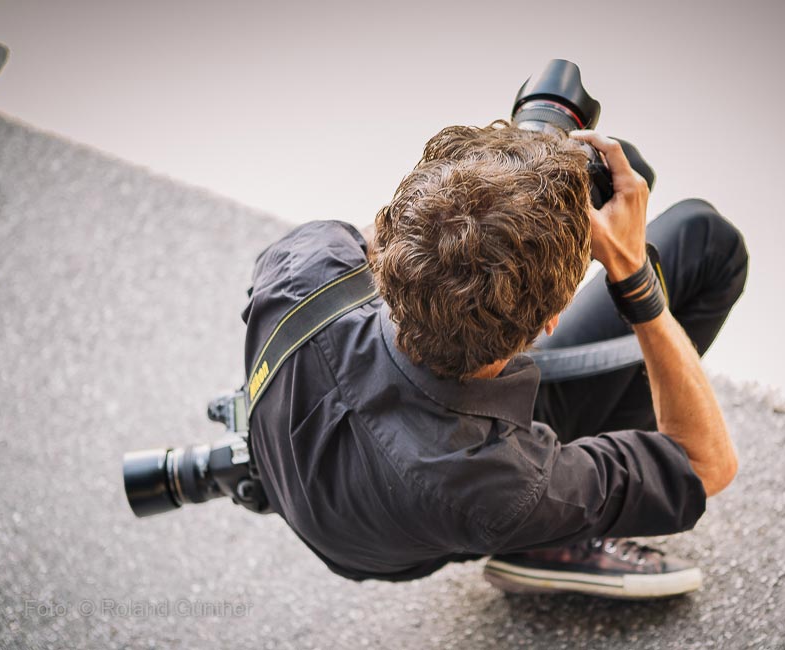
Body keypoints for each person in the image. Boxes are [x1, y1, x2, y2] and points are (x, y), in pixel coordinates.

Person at [242, 121, 748, 599]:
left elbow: (378, 239)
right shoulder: (503, 482)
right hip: (439, 510)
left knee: (634, 186)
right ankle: (552, 542)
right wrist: (632, 275)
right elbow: (708, 464)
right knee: (708, 242)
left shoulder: (304, 260)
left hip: (316, 489)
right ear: (550, 319)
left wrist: (501, 183)